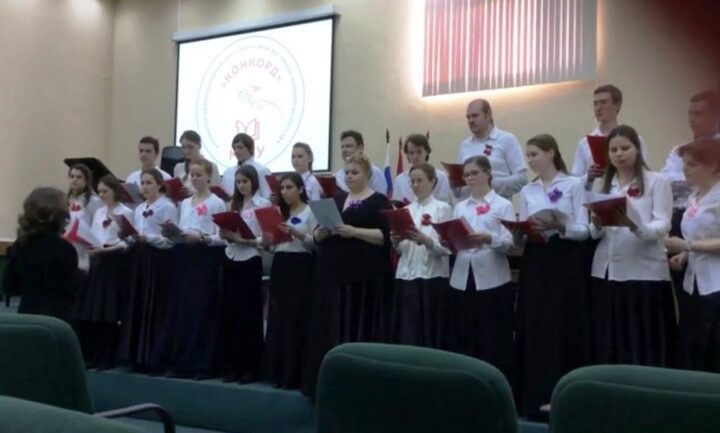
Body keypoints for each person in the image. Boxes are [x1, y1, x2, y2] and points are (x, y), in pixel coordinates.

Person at [302, 154, 393, 398]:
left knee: (356, 323)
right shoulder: (337, 199)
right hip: (333, 272)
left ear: (367, 175)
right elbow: (320, 231)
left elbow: (385, 236)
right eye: (347, 172)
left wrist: (354, 231)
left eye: (355, 172)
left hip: (363, 276)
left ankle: (358, 385)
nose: (350, 176)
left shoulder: (379, 201)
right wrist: (319, 234)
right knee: (332, 324)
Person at [514, 134, 591, 418]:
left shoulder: (573, 184)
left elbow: (584, 230)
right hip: (536, 259)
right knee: (536, 324)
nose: (530, 160)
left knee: (562, 324)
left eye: (534, 154)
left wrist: (560, 225)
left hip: (564, 260)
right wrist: (519, 233)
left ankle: (564, 396)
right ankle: (533, 395)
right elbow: (524, 230)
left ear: (551, 153)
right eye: (528, 155)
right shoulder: (528, 190)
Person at [589, 125, 673, 367]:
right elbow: (595, 233)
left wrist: (635, 226)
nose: (619, 154)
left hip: (643, 271)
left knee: (642, 339)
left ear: (637, 148)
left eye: (625, 148)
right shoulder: (604, 184)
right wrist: (596, 222)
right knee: (611, 339)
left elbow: (663, 223)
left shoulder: (656, 181)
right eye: (613, 150)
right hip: (608, 270)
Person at [445, 155, 516, 385]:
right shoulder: (460, 207)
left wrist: (489, 238)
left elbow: (510, 244)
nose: (469, 178)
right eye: (466, 175)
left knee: (491, 336)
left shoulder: (503, 204)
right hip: (462, 276)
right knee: (464, 334)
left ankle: (494, 384)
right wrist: (449, 241)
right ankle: (465, 383)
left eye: (474, 173)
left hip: (491, 278)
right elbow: (453, 240)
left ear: (488, 173)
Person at [157, 158, 226, 379]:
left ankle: (200, 363)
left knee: (200, 310)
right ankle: (180, 361)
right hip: (184, 257)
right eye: (191, 175)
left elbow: (222, 237)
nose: (194, 179)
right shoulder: (185, 203)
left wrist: (203, 237)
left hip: (204, 258)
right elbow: (182, 229)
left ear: (208, 177)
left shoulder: (217, 203)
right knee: (182, 309)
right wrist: (172, 232)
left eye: (198, 175)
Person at [665, 138, 720, 372]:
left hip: (716, 283)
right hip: (694, 282)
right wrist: (685, 255)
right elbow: (700, 236)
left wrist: (687, 245)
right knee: (693, 344)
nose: (685, 169)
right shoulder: (695, 196)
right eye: (684, 163)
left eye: (692, 164)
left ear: (712, 165)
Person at [119, 169, 177, 373]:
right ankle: (136, 355)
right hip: (141, 257)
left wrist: (149, 238)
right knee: (139, 302)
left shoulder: (167, 206)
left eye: (149, 182)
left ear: (160, 184)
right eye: (142, 183)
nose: (144, 187)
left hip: (158, 259)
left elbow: (170, 240)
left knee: (155, 305)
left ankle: (153, 357)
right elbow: (135, 233)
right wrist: (130, 236)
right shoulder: (139, 208)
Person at [73, 175, 133, 370]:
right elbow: (94, 233)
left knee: (109, 310)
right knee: (93, 309)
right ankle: (92, 354)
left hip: (114, 262)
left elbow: (129, 240)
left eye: (105, 191)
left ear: (115, 191)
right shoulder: (99, 211)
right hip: (97, 260)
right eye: (99, 191)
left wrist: (110, 247)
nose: (102, 195)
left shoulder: (125, 212)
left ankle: (107, 357)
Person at [264, 173, 318, 389]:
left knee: (295, 318)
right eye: (282, 188)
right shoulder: (278, 213)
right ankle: (277, 371)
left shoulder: (310, 211)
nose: (285, 192)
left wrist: (296, 233)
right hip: (280, 264)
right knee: (278, 317)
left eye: (289, 187)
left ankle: (294, 373)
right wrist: (268, 241)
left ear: (300, 189)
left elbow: (316, 243)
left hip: (300, 266)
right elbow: (271, 247)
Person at [390, 163, 452, 348]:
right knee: (408, 331)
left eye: (420, 181)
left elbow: (448, 248)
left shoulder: (442, 208)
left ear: (432, 181)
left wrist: (427, 241)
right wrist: (396, 241)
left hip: (431, 277)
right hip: (407, 275)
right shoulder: (406, 210)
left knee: (429, 331)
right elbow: (402, 249)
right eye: (412, 181)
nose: (415, 185)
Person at [217, 164, 269, 383]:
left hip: (250, 259)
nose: (241, 186)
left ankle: (250, 367)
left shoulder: (263, 204)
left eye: (245, 181)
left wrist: (245, 240)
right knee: (230, 313)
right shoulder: (233, 205)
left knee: (248, 315)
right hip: (231, 258)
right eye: (238, 182)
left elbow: (267, 239)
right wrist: (224, 234)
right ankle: (232, 365)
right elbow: (221, 235)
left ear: (254, 182)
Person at [3, 188, 79, 323]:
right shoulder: (64, 249)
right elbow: (71, 290)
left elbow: (11, 285)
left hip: (26, 315)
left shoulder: (20, 245)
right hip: (57, 320)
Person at [571, 85, 647, 187]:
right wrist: (588, 177)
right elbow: (575, 179)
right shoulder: (584, 143)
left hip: (627, 191)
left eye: (603, 102)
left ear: (617, 105)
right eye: (595, 104)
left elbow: (643, 172)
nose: (598, 108)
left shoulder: (634, 139)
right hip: (595, 193)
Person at [457, 99, 527, 198]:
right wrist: (454, 184)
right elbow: (458, 190)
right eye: (468, 117)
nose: (471, 120)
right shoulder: (465, 145)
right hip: (469, 204)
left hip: (498, 205)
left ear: (488, 115)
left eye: (475, 116)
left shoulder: (507, 139)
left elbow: (522, 179)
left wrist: (489, 185)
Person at [393, 134, 452, 204]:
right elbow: (396, 205)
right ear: (407, 155)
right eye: (411, 153)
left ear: (426, 152)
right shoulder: (400, 180)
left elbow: (445, 203)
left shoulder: (441, 177)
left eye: (419, 152)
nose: (415, 156)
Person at [67, 163, 103, 271]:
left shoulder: (94, 201)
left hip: (85, 249)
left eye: (79, 177)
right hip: (68, 246)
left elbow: (98, 226)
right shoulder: (65, 200)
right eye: (72, 176)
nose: (74, 180)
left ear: (86, 180)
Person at [333, 130, 388, 195]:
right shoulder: (338, 176)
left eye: (348, 146)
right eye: (342, 147)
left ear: (360, 148)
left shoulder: (375, 173)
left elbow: (381, 198)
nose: (344, 150)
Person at [220, 133, 272, 199]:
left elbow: (267, 197)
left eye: (240, 147)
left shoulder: (261, 170)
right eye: (234, 148)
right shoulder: (227, 173)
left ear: (251, 148)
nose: (236, 151)